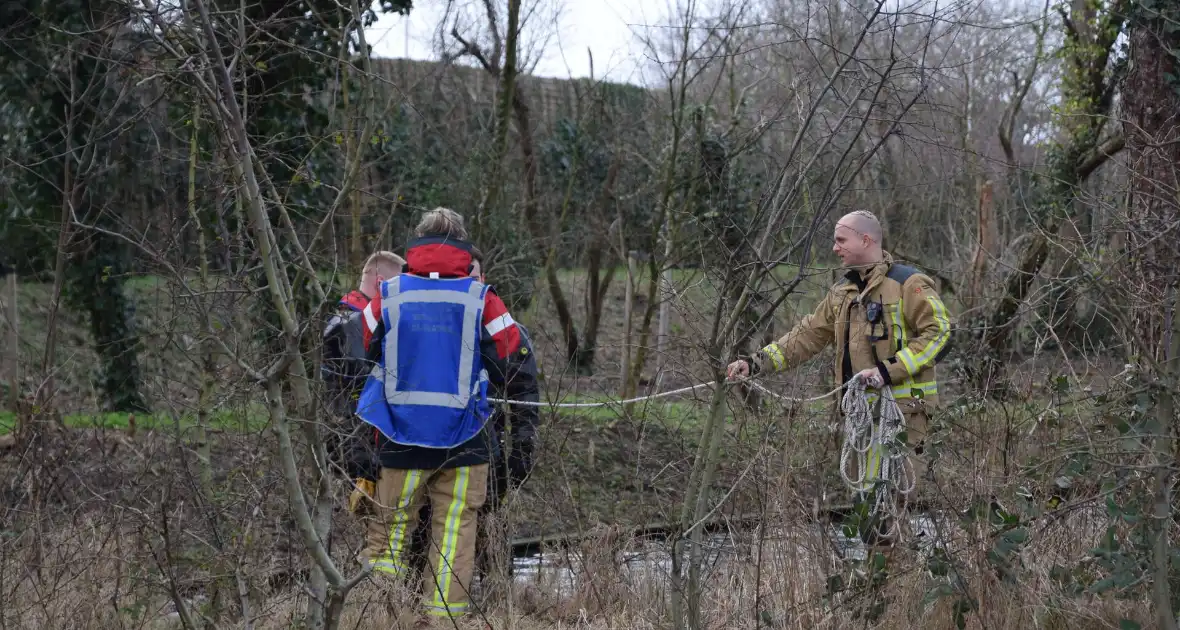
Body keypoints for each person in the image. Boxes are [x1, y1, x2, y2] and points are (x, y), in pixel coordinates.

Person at [352, 207, 529, 622]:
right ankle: (445, 619)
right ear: (463, 246)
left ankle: (381, 617)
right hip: (466, 441)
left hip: (398, 436)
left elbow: (361, 345)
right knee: (454, 534)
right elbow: (511, 355)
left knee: (389, 536)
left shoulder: (389, 294)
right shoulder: (481, 298)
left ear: (417, 243)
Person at [726, 210, 952, 534]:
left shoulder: (908, 284)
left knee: (882, 507)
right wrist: (757, 362)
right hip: (859, 416)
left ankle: (884, 577)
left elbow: (940, 333)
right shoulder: (842, 292)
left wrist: (888, 372)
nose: (835, 248)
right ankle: (876, 576)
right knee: (868, 503)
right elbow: (807, 335)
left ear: (865, 239)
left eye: (840, 240)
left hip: (900, 416)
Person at [400, 253, 541, 586]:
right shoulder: (425, 323)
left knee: (488, 530)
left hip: (484, 447)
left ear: (482, 278)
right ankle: (418, 603)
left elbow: (523, 387)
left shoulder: (504, 327)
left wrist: (522, 444)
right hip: (423, 444)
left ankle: (497, 602)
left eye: (473, 275)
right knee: (424, 533)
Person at [321, 251, 404, 490]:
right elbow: (364, 386)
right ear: (381, 284)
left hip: (355, 441)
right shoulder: (351, 325)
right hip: (356, 447)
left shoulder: (348, 321)